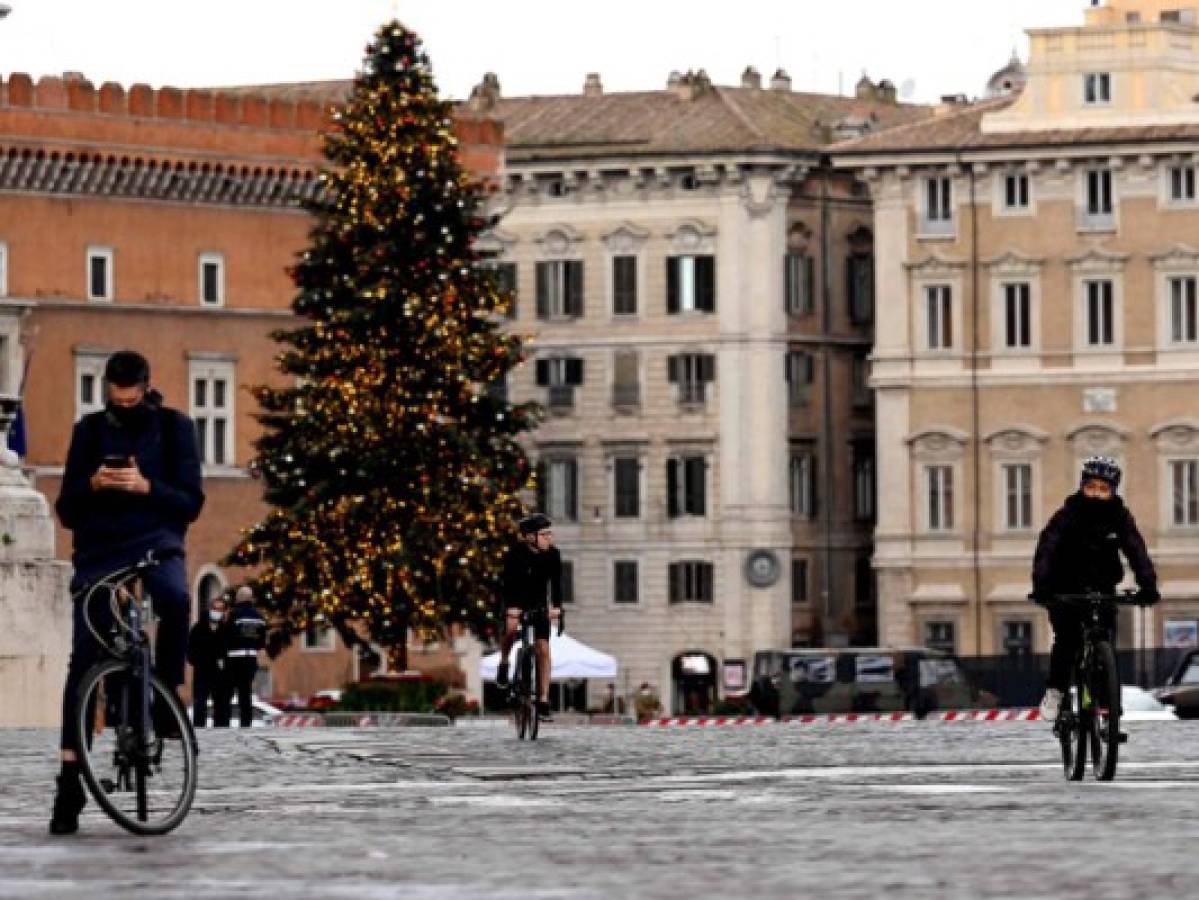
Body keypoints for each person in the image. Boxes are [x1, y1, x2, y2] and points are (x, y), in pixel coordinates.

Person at [50, 349, 204, 835]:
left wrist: (145, 487)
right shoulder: (88, 431)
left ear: (145, 388)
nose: (124, 405)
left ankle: (166, 694)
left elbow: (190, 503)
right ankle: (70, 781)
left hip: (156, 543)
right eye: (117, 400)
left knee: (176, 598)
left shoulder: (176, 428)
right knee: (82, 659)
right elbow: (67, 511)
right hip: (99, 551)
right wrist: (94, 483)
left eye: (132, 398)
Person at [1030, 456, 1159, 724]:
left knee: (1106, 642)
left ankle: (1108, 700)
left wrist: (1148, 585)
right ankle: (1056, 691)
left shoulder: (1119, 517)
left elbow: (1136, 549)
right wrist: (1042, 586)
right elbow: (1047, 549)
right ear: (1082, 487)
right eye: (1091, 488)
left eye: (1103, 489)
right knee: (1067, 641)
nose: (1096, 494)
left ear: (1112, 492)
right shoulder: (1067, 515)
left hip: (1102, 585)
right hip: (1064, 586)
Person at [495, 513, 563, 721]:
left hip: (539, 603)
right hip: (515, 600)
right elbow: (506, 586)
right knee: (511, 627)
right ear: (530, 537)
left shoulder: (553, 555)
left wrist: (558, 608)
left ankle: (543, 699)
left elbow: (557, 585)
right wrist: (511, 609)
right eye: (544, 535)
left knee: (543, 649)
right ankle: (505, 661)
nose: (549, 538)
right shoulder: (515, 554)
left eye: (550, 534)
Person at [224, 586, 267, 727]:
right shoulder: (259, 617)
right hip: (250, 659)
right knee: (245, 693)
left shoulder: (234, 614)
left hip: (233, 659)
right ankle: (246, 723)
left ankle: (224, 722)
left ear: (239, 598)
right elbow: (261, 641)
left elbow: (226, 636)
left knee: (227, 693)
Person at [187, 595, 231, 728]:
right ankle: (199, 727)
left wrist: (224, 663)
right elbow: (190, 651)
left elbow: (228, 650)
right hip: (202, 672)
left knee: (221, 703)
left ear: (224, 612)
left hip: (220, 673)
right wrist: (198, 662)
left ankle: (221, 728)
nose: (217, 612)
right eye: (215, 608)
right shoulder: (198, 628)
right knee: (200, 702)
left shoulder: (226, 629)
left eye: (220, 609)